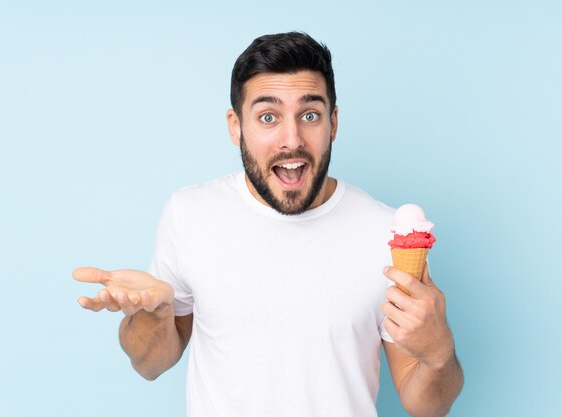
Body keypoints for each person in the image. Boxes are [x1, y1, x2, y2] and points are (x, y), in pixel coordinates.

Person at [74, 32, 463, 417]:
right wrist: (153, 316)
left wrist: (439, 353)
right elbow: (150, 364)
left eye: (309, 115)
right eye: (267, 117)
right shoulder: (189, 214)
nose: (291, 139)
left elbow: (426, 407)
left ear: (334, 122)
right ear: (235, 126)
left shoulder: (386, 232)